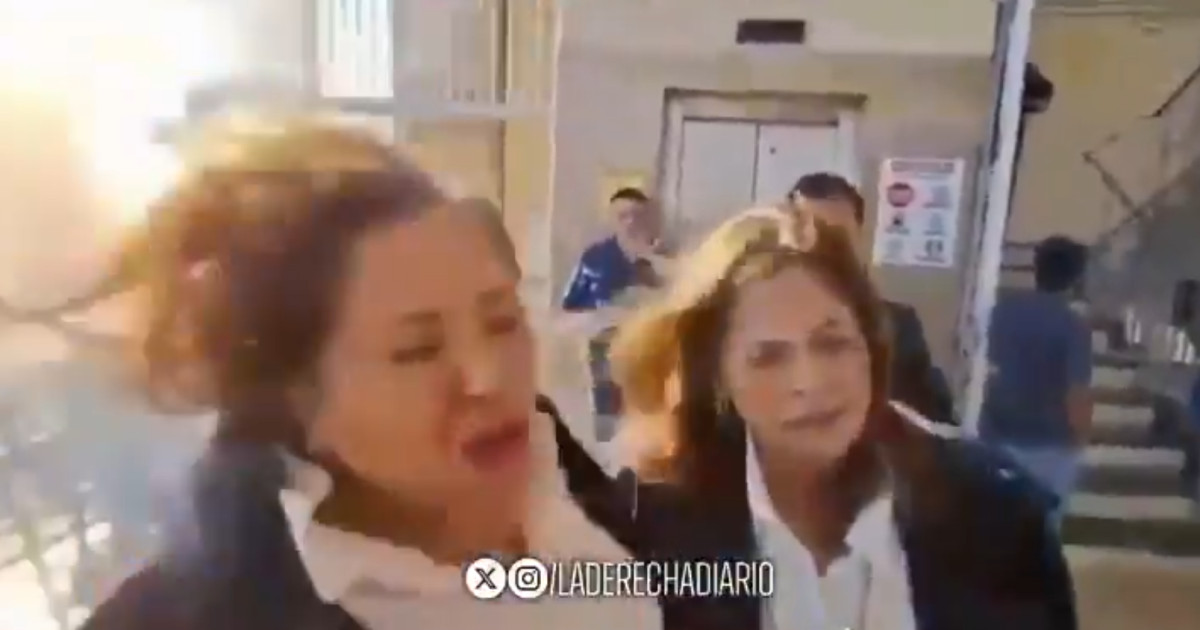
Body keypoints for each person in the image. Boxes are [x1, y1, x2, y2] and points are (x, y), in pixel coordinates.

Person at [80, 116, 666, 630]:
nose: (487, 377)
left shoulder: (573, 483)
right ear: (300, 402)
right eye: (417, 350)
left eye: (501, 320)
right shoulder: (206, 614)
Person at [610, 206, 1076, 630]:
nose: (809, 381)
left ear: (871, 347)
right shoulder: (648, 530)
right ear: (717, 375)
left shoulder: (996, 518)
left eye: (832, 343)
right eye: (767, 357)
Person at [787, 172, 956, 426]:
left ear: (859, 241)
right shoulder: (753, 323)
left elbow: (933, 426)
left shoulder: (897, 329)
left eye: (838, 239)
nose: (825, 252)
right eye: (811, 237)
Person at [979, 235, 1093, 526]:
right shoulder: (1073, 325)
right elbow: (1077, 392)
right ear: (1076, 277)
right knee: (1041, 532)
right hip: (1050, 444)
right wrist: (1080, 439)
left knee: (993, 526)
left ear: (1036, 269)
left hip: (997, 435)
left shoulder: (1001, 312)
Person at [560, 188, 671, 443]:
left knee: (646, 412)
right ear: (612, 219)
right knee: (606, 409)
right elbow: (570, 306)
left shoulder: (661, 260)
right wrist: (595, 318)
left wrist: (651, 261)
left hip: (648, 349)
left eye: (636, 216)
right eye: (622, 216)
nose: (630, 223)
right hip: (603, 345)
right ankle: (606, 450)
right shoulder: (594, 258)